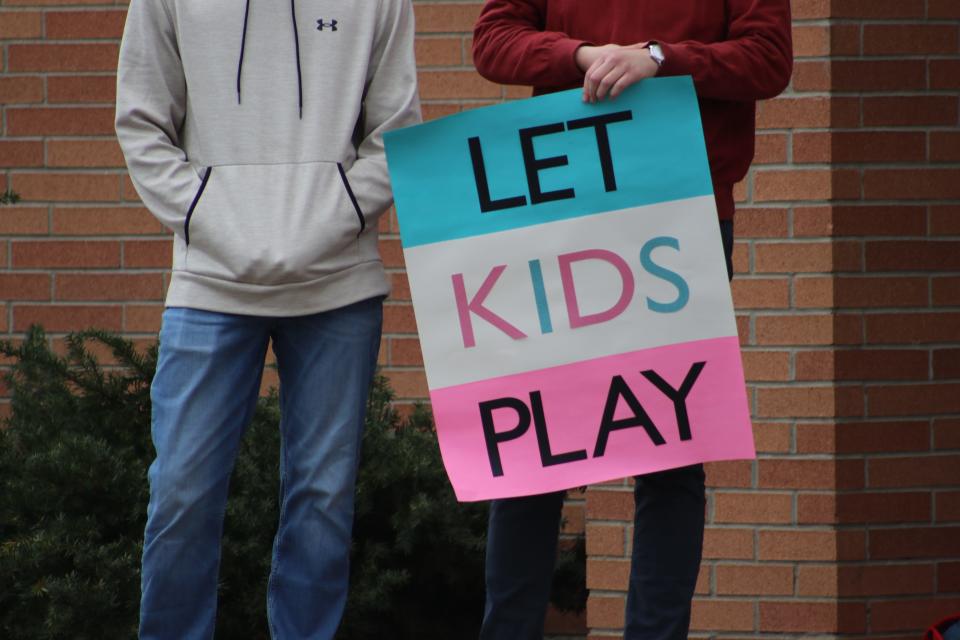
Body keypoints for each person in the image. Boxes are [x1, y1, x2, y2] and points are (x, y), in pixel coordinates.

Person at [472, 1, 792, 638]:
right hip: (565, 202)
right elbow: (492, 40)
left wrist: (657, 59)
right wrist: (582, 57)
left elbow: (768, 58)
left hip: (680, 214)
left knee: (669, 456)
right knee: (538, 450)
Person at [115, 1, 420, 637]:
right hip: (210, 284)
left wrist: (328, 218)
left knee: (323, 502)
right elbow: (142, 123)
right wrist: (209, 216)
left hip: (338, 284)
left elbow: (396, 131)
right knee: (180, 495)